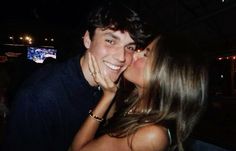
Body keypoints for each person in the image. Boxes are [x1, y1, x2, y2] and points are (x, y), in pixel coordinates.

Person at [2, 2, 153, 151]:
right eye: (110, 41)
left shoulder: (107, 84)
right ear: (87, 39)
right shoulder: (40, 97)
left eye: (130, 47)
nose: (121, 57)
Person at [68, 33, 208, 151]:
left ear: (165, 73)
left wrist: (107, 97)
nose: (135, 54)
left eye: (146, 55)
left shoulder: (152, 135)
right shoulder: (136, 103)